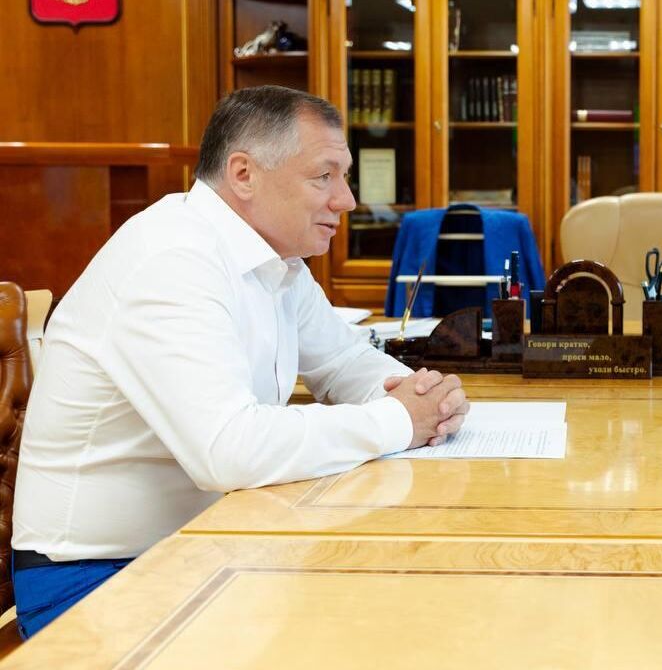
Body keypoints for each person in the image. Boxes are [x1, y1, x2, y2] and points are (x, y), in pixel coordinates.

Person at [10, 86, 469, 638]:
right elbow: (228, 450)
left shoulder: (275, 259)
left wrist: (420, 396)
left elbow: (343, 360)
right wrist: (398, 420)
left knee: (395, 612)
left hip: (206, 547)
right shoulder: (172, 258)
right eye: (323, 177)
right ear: (244, 174)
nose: (346, 200)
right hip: (94, 581)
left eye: (344, 177)